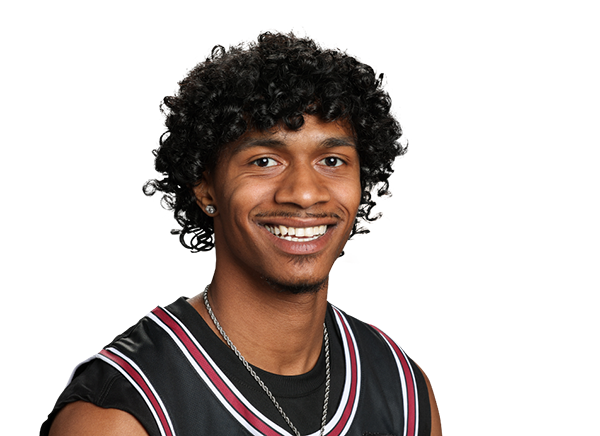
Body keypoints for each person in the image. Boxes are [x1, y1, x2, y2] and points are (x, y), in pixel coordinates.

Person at [47, 29, 442, 436]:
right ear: (206, 188)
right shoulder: (120, 413)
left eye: (332, 160)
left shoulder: (402, 388)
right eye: (265, 161)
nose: (305, 193)